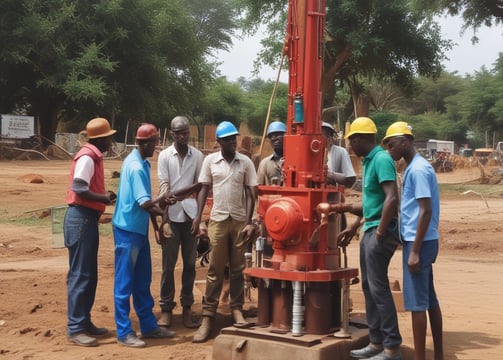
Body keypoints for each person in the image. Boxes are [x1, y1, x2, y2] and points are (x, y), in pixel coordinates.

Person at [333, 117, 402, 360]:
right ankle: (375, 342)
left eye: (352, 141)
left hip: (379, 232)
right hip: (370, 229)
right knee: (369, 287)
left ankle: (392, 348)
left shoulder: (381, 159)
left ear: (361, 139)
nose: (350, 146)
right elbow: (372, 204)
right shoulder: (370, 161)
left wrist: (381, 232)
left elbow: (392, 198)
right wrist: (347, 217)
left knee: (378, 288)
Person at [191, 120, 258, 343]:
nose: (233, 142)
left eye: (234, 138)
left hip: (239, 221)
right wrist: (198, 217)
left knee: (239, 268)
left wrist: (249, 221)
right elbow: (203, 189)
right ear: (218, 141)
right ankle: (208, 315)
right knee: (215, 269)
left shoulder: (246, 162)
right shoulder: (210, 161)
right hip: (218, 221)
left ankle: (237, 309)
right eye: (228, 139)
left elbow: (251, 193)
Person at [382, 122, 444, 360]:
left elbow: (425, 211)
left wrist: (414, 251)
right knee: (429, 299)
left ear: (405, 142)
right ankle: (438, 355)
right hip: (424, 240)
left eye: (392, 144)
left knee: (417, 304)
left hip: (419, 243)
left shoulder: (417, 170)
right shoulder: (416, 167)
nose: (390, 149)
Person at [112, 123, 175, 348]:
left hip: (138, 230)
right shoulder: (136, 167)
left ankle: (148, 326)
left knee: (142, 281)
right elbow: (146, 202)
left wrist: (157, 224)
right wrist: (164, 205)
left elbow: (147, 203)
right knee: (124, 283)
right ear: (144, 143)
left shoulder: (140, 162)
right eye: (154, 143)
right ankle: (124, 332)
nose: (156, 147)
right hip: (127, 231)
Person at [64, 117, 117, 347]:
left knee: (88, 274)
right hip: (81, 218)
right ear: (101, 139)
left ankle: (84, 322)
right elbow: (78, 187)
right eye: (109, 137)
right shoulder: (87, 157)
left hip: (86, 218)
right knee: (80, 275)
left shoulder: (93, 155)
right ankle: (76, 328)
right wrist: (103, 198)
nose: (111, 141)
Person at [156, 116, 203, 329]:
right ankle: (166, 308)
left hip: (190, 215)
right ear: (172, 134)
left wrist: (199, 217)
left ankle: (187, 307)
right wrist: (163, 219)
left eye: (186, 132)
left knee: (190, 265)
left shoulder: (198, 156)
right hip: (171, 215)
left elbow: (201, 186)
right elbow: (163, 186)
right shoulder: (165, 156)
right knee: (168, 265)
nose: (184, 136)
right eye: (179, 133)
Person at [322, 121, 356, 188]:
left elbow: (350, 179)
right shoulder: (308, 153)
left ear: (331, 139)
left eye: (322, 136)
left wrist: (331, 176)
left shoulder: (341, 152)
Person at [257, 121, 286, 186]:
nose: (273, 138)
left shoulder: (295, 162)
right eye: (270, 136)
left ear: (286, 136)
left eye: (277, 135)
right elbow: (259, 188)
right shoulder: (265, 164)